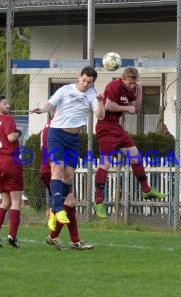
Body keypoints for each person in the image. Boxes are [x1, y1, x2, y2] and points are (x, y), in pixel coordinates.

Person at [32, 66, 104, 248]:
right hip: (57, 134)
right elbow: (50, 104)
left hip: (73, 138)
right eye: (84, 80)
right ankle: (57, 210)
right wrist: (41, 108)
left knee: (69, 175)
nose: (86, 84)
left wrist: (100, 102)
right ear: (79, 77)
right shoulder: (65, 90)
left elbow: (100, 115)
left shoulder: (92, 94)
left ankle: (58, 220)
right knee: (56, 168)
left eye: (89, 82)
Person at [93, 67, 166, 218]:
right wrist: (127, 108)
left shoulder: (132, 88)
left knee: (135, 155)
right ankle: (98, 201)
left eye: (135, 83)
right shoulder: (115, 86)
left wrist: (139, 90)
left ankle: (146, 190)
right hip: (105, 127)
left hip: (117, 127)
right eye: (130, 83)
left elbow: (137, 105)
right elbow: (108, 106)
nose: (132, 86)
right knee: (105, 164)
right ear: (123, 79)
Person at [40, 116, 93, 250]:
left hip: (51, 170)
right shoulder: (57, 127)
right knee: (68, 202)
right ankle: (56, 236)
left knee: (70, 203)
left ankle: (68, 239)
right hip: (52, 171)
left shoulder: (51, 125)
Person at [0, 95, 24, 248]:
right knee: (16, 201)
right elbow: (11, 137)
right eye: (4, 103)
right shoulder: (7, 119)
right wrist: (19, 133)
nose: (8, 105)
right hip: (10, 160)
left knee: (5, 201)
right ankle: (12, 236)